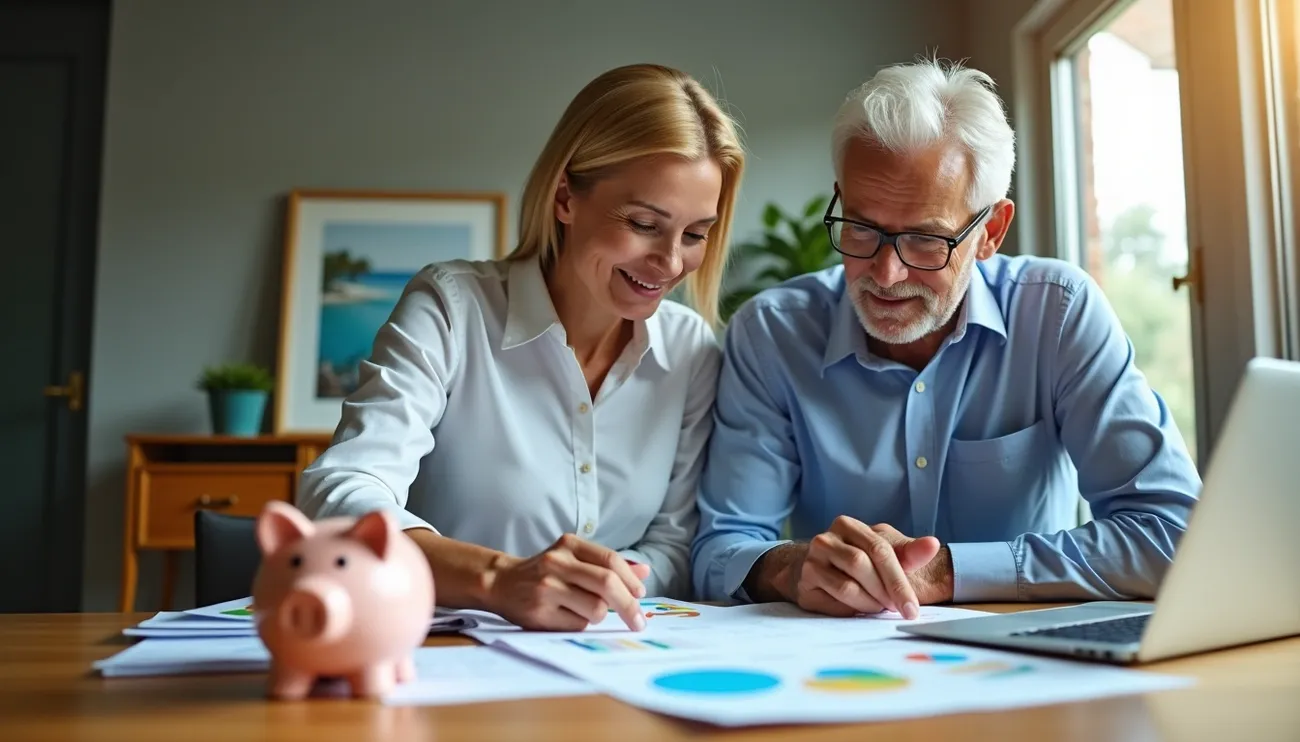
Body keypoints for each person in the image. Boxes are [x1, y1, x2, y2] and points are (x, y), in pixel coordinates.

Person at [690, 58, 1201, 619]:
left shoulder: (1056, 313)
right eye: (861, 227)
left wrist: (945, 572)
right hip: (842, 669)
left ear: (991, 232)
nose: (885, 274)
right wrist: (791, 567)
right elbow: (722, 548)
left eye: (926, 241)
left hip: (1029, 663)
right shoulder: (772, 333)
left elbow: (1174, 534)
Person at [297, 63, 744, 632]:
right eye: (642, 223)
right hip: (442, 657)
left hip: (610, 656)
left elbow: (674, 543)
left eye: (696, 234)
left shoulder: (689, 351)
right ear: (565, 197)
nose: (672, 261)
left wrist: (595, 591)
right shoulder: (453, 307)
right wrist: (497, 580)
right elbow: (342, 489)